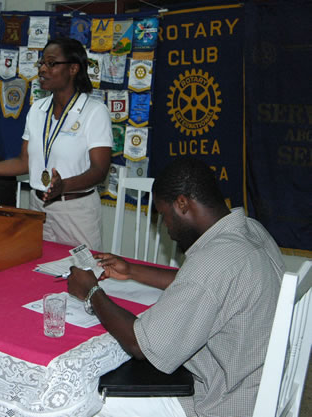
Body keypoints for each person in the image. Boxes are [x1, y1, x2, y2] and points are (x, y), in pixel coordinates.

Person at [67, 157, 285, 417]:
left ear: (182, 204)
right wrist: (133, 270)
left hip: (225, 403)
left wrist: (91, 291)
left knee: (85, 398)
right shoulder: (250, 230)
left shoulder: (212, 264)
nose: (167, 230)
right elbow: (205, 286)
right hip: (262, 385)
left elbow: (140, 345)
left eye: (166, 217)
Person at [0, 38, 112, 250]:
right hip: (38, 206)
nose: (42, 69)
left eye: (51, 63)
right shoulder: (38, 109)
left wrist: (63, 186)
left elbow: (99, 171)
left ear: (73, 68)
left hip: (76, 210)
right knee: (40, 274)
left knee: (82, 274)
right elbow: (24, 163)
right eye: (41, 63)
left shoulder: (94, 112)